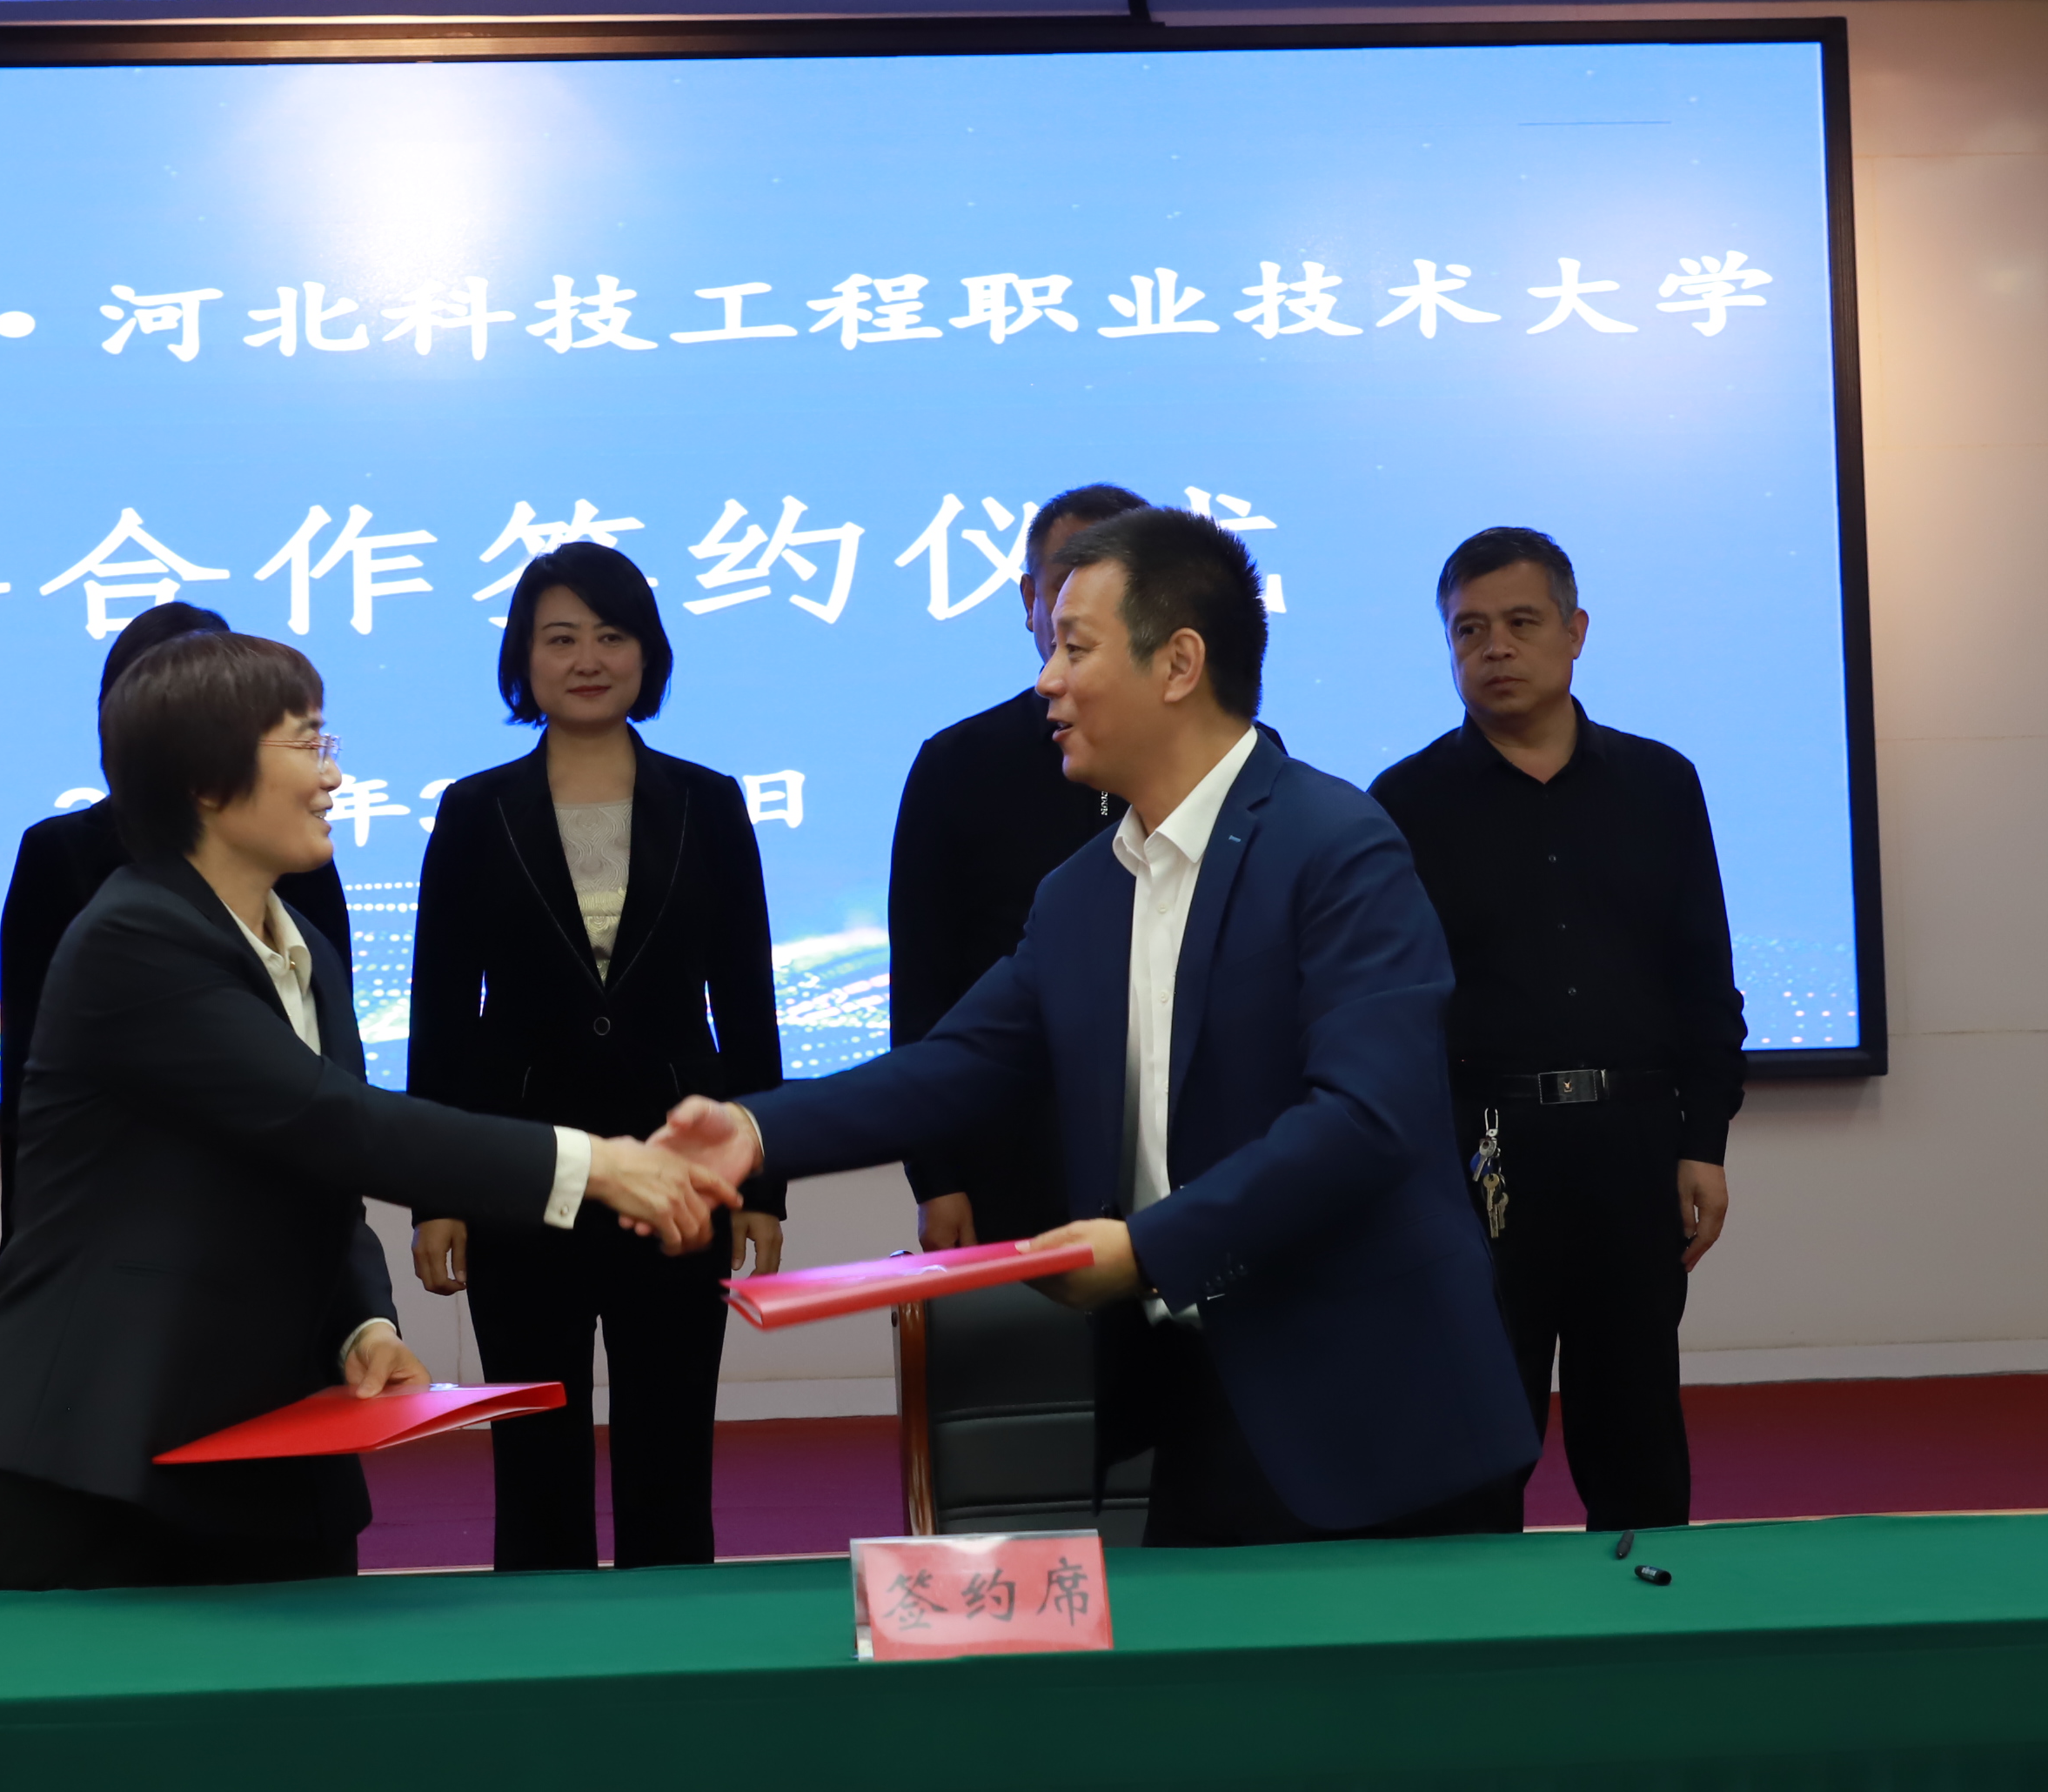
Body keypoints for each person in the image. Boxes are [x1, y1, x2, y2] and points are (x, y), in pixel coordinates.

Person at [653, 508, 1535, 1547]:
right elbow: (960, 1062)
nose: (1046, 680)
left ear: (1178, 664)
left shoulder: (1336, 845)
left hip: (1379, 1416)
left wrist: (1147, 1248)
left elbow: (1364, 1119)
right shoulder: (1081, 892)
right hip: (1199, 1399)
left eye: (1075, 648)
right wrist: (754, 1132)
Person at [0, 632, 740, 1591]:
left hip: (269, 1445)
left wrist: (361, 1324)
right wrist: (599, 1164)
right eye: (306, 744)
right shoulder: (133, 935)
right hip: (92, 1456)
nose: (333, 776)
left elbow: (318, 1170)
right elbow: (333, 1120)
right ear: (207, 781)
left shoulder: (300, 941)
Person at [406, 543, 786, 1572]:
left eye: (611, 635)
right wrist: (434, 1192)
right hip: (517, 1169)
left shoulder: (708, 801)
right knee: (534, 1452)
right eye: (560, 637)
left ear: (646, 653)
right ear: (522, 657)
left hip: (680, 1170)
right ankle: (540, 1646)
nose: (586, 659)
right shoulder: (475, 809)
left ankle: (678, 1644)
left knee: (672, 1442)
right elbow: (440, 1012)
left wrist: (764, 1184)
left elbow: (746, 1001)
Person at [1369, 528, 1745, 1535]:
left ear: (1574, 631)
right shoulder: (1402, 802)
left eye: (1519, 622)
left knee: (1635, 1437)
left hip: (1631, 1143)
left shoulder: (1659, 783)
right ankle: (1473, 1624)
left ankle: (1647, 1612)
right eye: (1467, 630)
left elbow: (1702, 977)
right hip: (1480, 1153)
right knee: (1476, 1441)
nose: (1493, 647)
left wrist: (1701, 1140)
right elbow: (1389, 1008)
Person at [0, 600, 348, 1234]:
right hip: (133, 1232)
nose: (331, 776)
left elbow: (346, 1102)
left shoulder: (301, 880)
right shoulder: (109, 909)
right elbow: (28, 1073)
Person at [890, 481, 1148, 1248]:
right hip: (1011, 1157)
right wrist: (937, 1176)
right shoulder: (957, 766)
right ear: (1031, 599)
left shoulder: (1230, 760)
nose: (1085, 612)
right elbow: (924, 989)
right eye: (1067, 585)